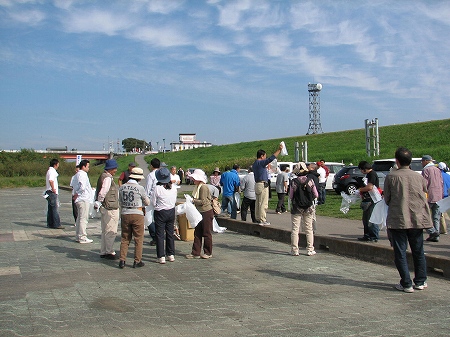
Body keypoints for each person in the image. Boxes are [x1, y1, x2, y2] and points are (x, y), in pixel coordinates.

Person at [384, 147, 432, 293]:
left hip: (399, 218)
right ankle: (420, 281)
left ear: (397, 161)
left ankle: (406, 283)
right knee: (418, 251)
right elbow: (425, 192)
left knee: (400, 252)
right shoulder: (419, 176)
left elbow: (387, 199)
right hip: (417, 218)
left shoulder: (391, 177)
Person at [118, 167, 150, 268]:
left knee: (125, 238)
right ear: (139, 178)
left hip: (125, 212)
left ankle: (122, 260)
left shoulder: (122, 187)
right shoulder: (140, 188)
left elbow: (120, 200)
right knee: (138, 238)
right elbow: (147, 202)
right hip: (137, 213)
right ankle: (137, 260)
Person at [289, 162, 319, 256]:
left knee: (295, 229)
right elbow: (316, 194)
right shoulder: (310, 181)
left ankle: (295, 250)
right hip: (308, 207)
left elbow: (291, 196)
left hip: (296, 207)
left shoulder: (293, 182)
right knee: (308, 229)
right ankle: (310, 249)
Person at [185, 169, 214, 259]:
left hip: (206, 212)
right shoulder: (197, 187)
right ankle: (195, 252)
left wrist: (193, 200)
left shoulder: (203, 187)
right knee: (197, 232)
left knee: (206, 232)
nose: (193, 180)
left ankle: (208, 252)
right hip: (199, 212)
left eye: (194, 178)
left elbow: (203, 201)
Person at [94, 159, 119, 260]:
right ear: (111, 169)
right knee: (111, 230)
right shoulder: (108, 178)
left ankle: (103, 251)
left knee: (104, 230)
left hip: (104, 207)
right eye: (115, 168)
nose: (116, 170)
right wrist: (100, 200)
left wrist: (98, 203)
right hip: (110, 207)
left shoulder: (102, 176)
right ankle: (109, 251)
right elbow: (103, 192)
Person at [252, 143, 283, 225]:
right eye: (265, 156)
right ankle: (263, 219)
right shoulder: (261, 163)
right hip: (263, 184)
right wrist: (279, 150)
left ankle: (258, 218)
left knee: (258, 202)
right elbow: (271, 158)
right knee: (263, 203)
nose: (265, 157)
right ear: (262, 156)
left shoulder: (255, 164)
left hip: (257, 184)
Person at [152, 167, 177, 264]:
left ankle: (161, 256)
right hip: (171, 211)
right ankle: (171, 254)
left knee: (160, 234)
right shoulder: (173, 188)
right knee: (170, 233)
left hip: (160, 212)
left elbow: (153, 202)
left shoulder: (157, 188)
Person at [421, 155, 443, 242]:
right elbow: (441, 182)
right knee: (436, 217)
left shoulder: (426, 170)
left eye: (422, 161)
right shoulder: (437, 170)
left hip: (429, 196)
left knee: (423, 215)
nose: (421, 163)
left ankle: (432, 231)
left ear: (426, 161)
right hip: (439, 196)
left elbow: (424, 184)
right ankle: (436, 235)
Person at [357, 161, 380, 242]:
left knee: (371, 218)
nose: (361, 171)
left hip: (372, 199)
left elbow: (369, 187)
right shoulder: (369, 175)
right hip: (367, 199)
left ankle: (373, 236)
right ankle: (367, 235)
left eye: (361, 169)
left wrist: (360, 190)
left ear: (364, 169)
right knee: (366, 218)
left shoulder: (372, 174)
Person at [73, 160, 94, 243]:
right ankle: (82, 236)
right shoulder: (82, 174)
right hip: (83, 198)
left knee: (79, 218)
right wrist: (77, 193)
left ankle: (78, 235)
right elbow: (82, 187)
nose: (88, 168)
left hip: (80, 199)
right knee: (83, 219)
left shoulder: (77, 174)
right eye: (88, 166)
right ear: (84, 166)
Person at [145, 158, 161, 245]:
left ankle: (155, 237)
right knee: (158, 218)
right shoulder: (162, 174)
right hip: (161, 198)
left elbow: (148, 189)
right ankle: (159, 235)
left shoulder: (151, 175)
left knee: (149, 218)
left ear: (151, 166)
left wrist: (145, 200)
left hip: (151, 198)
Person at [45, 158, 64, 229]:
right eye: (58, 164)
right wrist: (53, 189)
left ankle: (50, 223)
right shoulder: (52, 171)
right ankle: (56, 224)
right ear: (55, 164)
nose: (58, 166)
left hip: (49, 192)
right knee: (54, 209)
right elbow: (51, 180)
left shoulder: (49, 171)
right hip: (52, 192)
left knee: (50, 209)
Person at [438, 162, 450, 235]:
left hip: (441, 196)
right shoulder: (448, 176)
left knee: (441, 214)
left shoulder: (439, 175)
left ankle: (443, 230)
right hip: (448, 196)